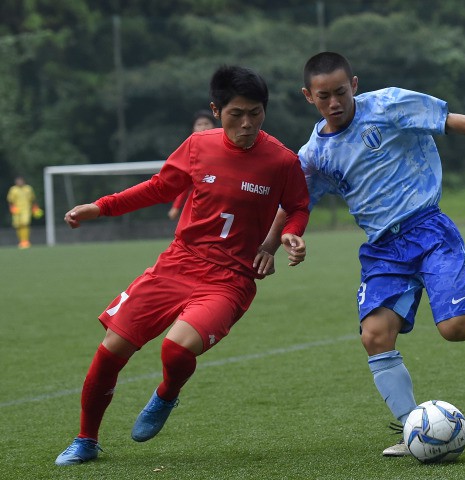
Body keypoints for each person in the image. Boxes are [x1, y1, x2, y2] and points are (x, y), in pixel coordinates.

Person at [55, 65, 310, 466]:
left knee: (176, 348)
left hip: (230, 280)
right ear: (216, 109)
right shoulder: (197, 146)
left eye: (256, 113)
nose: (247, 124)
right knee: (110, 351)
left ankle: (167, 394)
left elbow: (297, 206)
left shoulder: (282, 161)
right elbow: (159, 187)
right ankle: (86, 440)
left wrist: (288, 235)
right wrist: (101, 207)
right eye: (236, 114)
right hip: (177, 264)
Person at [298, 52, 465, 456]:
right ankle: (414, 430)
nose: (334, 102)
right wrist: (280, 239)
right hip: (382, 250)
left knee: (457, 329)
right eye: (324, 96)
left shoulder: (388, 104)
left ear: (354, 85)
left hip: (427, 228)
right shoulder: (314, 154)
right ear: (309, 97)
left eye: (341, 92)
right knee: (374, 336)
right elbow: (295, 200)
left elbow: (444, 119)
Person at [167, 110, 217, 220]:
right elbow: (186, 183)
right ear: (193, 129)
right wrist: (176, 207)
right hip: (199, 204)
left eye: (207, 123)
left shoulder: (224, 150)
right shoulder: (192, 154)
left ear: (214, 126)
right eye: (199, 124)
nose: (203, 127)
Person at [6, 176, 43, 249]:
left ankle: (25, 241)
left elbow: (33, 199)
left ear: (23, 181)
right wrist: (11, 208)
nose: (19, 182)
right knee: (18, 225)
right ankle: (21, 241)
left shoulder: (28, 189)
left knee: (25, 223)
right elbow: (10, 201)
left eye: (21, 181)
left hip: (26, 209)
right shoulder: (13, 190)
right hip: (16, 210)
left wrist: (35, 208)